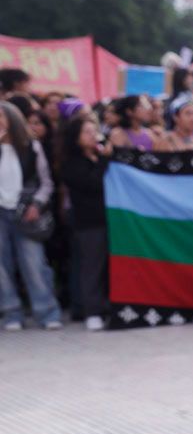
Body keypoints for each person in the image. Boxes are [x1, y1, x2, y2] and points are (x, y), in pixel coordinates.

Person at [0, 102, 63, 330]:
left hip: (25, 211)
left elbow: (46, 182)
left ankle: (46, 312)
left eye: (2, 117)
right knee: (2, 268)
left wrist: (37, 204)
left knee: (34, 263)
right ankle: (11, 313)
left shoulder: (31, 148)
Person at [60, 115, 111, 330]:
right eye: (86, 132)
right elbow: (92, 184)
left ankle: (108, 306)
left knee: (108, 266)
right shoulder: (71, 163)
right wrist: (105, 161)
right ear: (75, 137)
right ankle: (92, 310)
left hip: (109, 219)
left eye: (94, 131)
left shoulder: (98, 157)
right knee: (92, 266)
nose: (93, 136)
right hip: (88, 223)